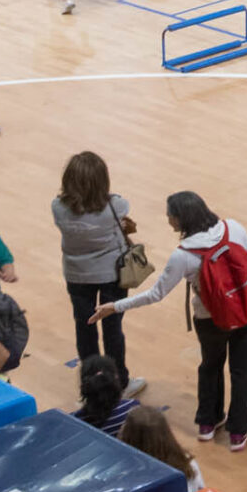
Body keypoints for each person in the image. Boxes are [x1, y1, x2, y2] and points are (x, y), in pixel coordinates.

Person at [93, 192, 247, 452]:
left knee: (210, 366)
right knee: (242, 371)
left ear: (180, 219)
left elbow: (156, 294)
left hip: (210, 320)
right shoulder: (233, 228)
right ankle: (238, 432)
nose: (167, 220)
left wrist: (115, 306)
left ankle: (207, 424)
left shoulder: (183, 255)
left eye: (170, 216)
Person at [54, 151, 141, 376]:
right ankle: (119, 379)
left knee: (85, 327)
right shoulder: (116, 206)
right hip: (112, 275)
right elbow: (120, 202)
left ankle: (91, 380)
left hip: (76, 275)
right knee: (113, 329)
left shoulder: (57, 207)